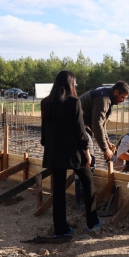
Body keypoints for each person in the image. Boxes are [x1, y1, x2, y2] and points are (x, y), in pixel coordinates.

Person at [41, 70, 100, 237]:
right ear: (71, 84)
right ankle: (92, 222)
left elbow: (44, 135)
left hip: (54, 154)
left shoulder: (45, 103)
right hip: (74, 154)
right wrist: (87, 153)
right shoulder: (74, 102)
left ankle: (61, 229)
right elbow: (81, 133)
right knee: (88, 182)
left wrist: (50, 147)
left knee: (58, 191)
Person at [79, 81, 129, 166]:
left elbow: (101, 124)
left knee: (83, 162)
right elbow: (97, 125)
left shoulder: (107, 97)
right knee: (89, 161)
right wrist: (105, 149)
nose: (123, 100)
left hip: (80, 126)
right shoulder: (103, 99)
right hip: (76, 127)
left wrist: (107, 141)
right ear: (116, 92)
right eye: (122, 97)